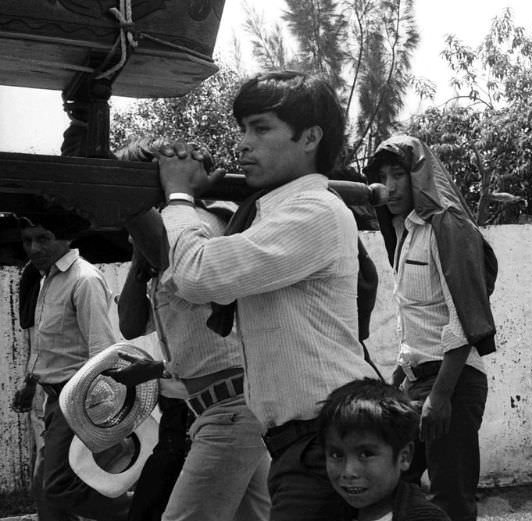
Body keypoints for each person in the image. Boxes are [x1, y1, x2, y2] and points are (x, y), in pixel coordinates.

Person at [154, 70, 378, 520]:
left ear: (310, 136)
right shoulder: (267, 211)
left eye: (261, 128)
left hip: (324, 437)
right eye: (242, 129)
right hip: (297, 436)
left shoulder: (313, 211)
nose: (242, 143)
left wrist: (178, 196)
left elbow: (197, 274)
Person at [104, 137, 272, 521]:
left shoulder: (204, 225)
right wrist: (140, 250)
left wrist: (148, 223)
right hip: (222, 406)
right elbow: (131, 325)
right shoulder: (164, 243)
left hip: (229, 410)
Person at [364, 135, 497, 521]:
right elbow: (418, 318)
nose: (388, 188)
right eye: (382, 177)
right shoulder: (405, 233)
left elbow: (460, 318)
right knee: (398, 487)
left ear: (419, 177)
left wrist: (440, 398)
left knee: (450, 498)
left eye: (398, 175)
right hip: (416, 381)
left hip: (450, 382)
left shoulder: (446, 227)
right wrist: (399, 377)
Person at [10, 207, 130, 521]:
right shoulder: (44, 278)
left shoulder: (85, 280)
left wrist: (93, 412)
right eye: (27, 240)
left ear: (65, 239)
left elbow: (102, 352)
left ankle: (142, 511)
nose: (33, 248)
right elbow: (51, 342)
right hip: (55, 399)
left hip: (76, 400)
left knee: (58, 487)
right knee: (45, 494)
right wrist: (31, 382)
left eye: (43, 239)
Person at [318, 378, 451, 521]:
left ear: (404, 457)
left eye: (366, 454)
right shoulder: (327, 512)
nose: (348, 472)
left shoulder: (425, 518)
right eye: (336, 455)